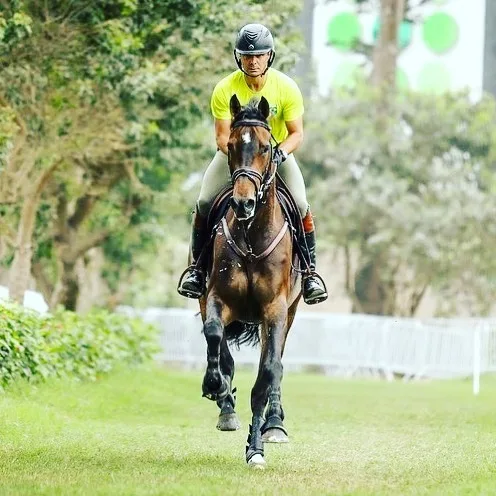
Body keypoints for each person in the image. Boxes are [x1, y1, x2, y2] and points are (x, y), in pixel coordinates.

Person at [177, 23, 327, 305]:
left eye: (259, 55)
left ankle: (309, 275)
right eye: (247, 56)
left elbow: (297, 133)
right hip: (234, 156)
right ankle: (196, 271)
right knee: (205, 201)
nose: (253, 61)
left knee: (302, 204)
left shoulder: (286, 88)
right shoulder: (225, 88)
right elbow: (221, 137)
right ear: (239, 58)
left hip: (276, 154)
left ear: (269, 56)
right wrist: (239, 158)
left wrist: (279, 154)